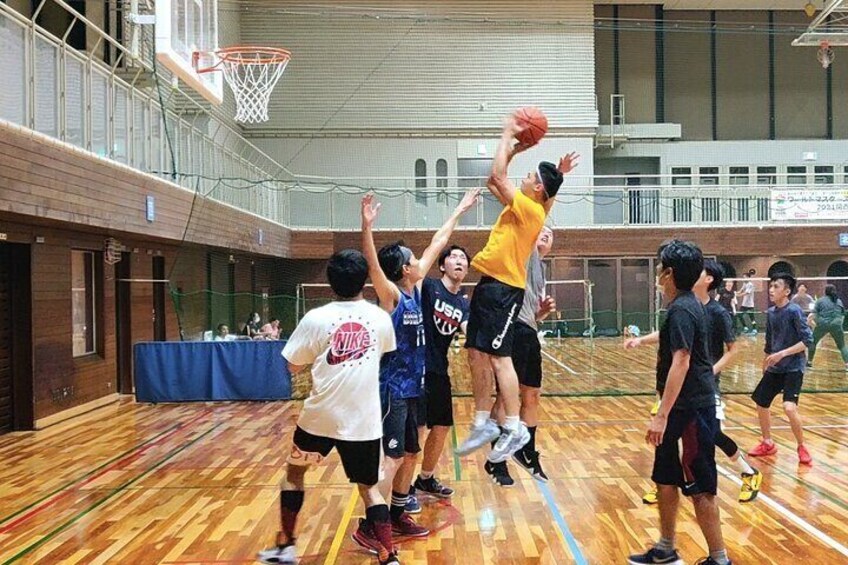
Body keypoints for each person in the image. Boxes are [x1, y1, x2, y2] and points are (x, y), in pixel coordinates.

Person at [355, 188, 479, 547]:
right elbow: (374, 265)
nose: (418, 260)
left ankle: (395, 514)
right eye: (412, 258)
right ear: (404, 269)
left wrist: (459, 211)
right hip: (394, 389)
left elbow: (437, 244)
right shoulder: (392, 294)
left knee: (411, 453)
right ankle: (370, 525)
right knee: (393, 459)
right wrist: (367, 228)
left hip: (416, 388)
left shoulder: (416, 289)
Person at [257, 250, 398, 565]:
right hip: (363, 422)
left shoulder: (315, 318)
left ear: (330, 282)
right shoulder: (379, 318)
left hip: (319, 419)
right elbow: (386, 352)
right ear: (364, 280)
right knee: (370, 489)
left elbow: (292, 366)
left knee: (294, 474)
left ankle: (286, 548)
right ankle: (389, 556)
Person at [455, 112, 578, 465]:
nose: (524, 178)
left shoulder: (530, 209)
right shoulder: (527, 204)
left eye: (530, 177)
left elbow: (496, 176)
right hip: (489, 283)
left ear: (537, 188)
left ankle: (513, 426)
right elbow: (495, 180)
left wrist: (508, 134)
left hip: (504, 290)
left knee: (499, 356)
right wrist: (516, 150)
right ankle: (482, 420)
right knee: (476, 352)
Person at [628, 240, 732, 565]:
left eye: (660, 268)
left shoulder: (684, 309)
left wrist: (660, 415)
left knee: (701, 487)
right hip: (677, 409)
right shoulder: (681, 308)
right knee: (665, 478)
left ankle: (719, 559)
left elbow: (682, 360)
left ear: (668, 273)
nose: (657, 274)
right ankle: (665, 548)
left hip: (691, 411)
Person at [632, 260, 762, 505]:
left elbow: (733, 349)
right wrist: (641, 341)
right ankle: (664, 484)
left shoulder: (718, 313)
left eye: (700, 271)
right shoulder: (687, 307)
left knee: (710, 435)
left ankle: (749, 472)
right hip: (684, 384)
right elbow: (672, 334)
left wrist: (711, 371)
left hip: (704, 386)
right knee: (670, 433)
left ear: (709, 279)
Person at [486, 226, 556, 486]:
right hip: (511, 328)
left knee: (532, 394)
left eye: (551, 233)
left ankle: (527, 451)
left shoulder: (541, 269)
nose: (546, 233)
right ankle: (496, 459)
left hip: (529, 329)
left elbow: (531, 309)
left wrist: (541, 313)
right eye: (542, 230)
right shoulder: (526, 254)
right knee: (506, 396)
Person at [406, 245, 471, 511]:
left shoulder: (463, 303)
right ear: (443, 265)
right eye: (453, 257)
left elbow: (470, 331)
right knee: (417, 430)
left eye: (463, 258)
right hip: (418, 368)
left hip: (439, 371)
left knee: (442, 427)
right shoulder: (429, 287)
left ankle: (425, 479)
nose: (459, 261)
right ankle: (404, 488)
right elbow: (420, 270)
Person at [748, 273, 814, 466]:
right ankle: (767, 442)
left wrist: (782, 354)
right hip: (775, 368)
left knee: (789, 407)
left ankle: (802, 446)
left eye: (776, 286)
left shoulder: (794, 311)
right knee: (761, 402)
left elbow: (807, 341)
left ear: (786, 291)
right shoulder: (771, 313)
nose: (771, 289)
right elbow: (769, 344)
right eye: (771, 286)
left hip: (793, 367)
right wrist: (766, 363)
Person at [807, 284, 848, 370]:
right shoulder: (838, 301)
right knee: (842, 346)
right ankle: (847, 364)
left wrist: (811, 324)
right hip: (837, 324)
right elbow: (842, 315)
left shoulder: (820, 301)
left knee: (813, 342)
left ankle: (809, 362)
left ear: (825, 291)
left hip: (822, 324)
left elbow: (812, 315)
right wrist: (839, 324)